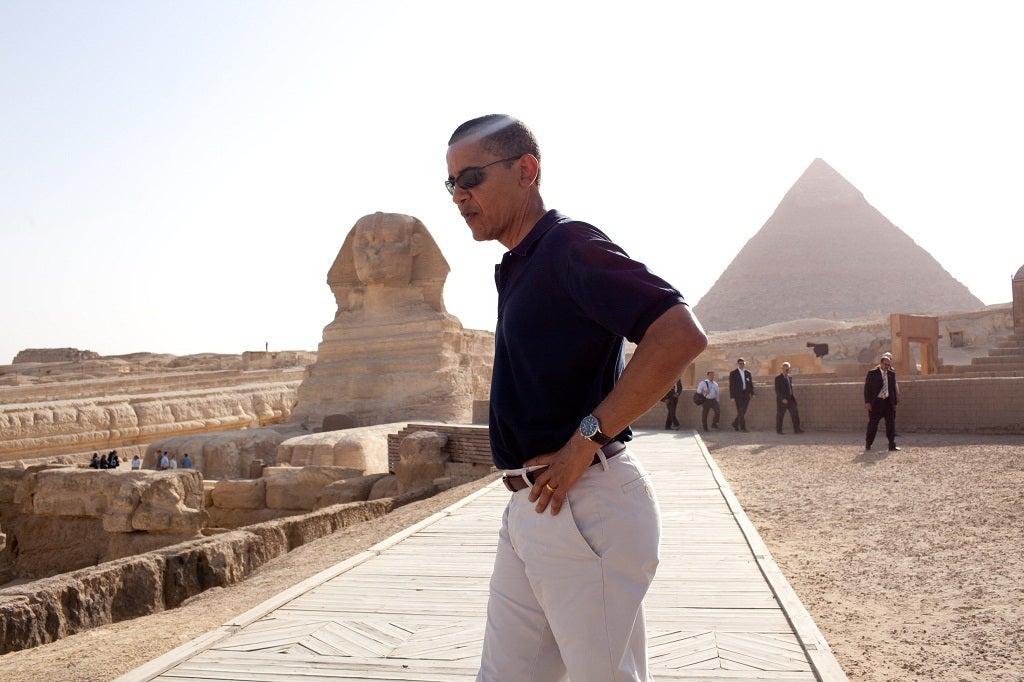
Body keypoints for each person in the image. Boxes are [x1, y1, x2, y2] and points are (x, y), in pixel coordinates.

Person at [446, 114, 708, 682]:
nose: (459, 195)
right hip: (531, 507)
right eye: (451, 185)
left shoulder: (568, 245)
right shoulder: (521, 264)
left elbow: (679, 333)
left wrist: (586, 439)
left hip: (586, 505)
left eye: (470, 177)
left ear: (526, 170)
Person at [864, 352, 900, 451]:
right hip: (876, 402)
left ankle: (892, 444)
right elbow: (867, 389)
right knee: (873, 423)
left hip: (888, 402)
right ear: (881, 363)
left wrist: (894, 402)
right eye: (885, 364)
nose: (886, 366)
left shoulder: (891, 373)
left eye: (888, 365)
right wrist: (868, 402)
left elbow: (893, 388)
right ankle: (868, 443)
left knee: (890, 423)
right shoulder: (872, 373)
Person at [774, 362, 804, 434]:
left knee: (795, 414)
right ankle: (779, 430)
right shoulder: (778, 378)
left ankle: (797, 429)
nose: (787, 370)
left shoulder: (789, 378)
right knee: (780, 415)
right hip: (782, 401)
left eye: (788, 369)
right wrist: (782, 399)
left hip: (791, 399)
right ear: (782, 369)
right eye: (785, 369)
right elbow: (777, 390)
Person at [728, 358, 755, 431]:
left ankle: (735, 423)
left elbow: (750, 384)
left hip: (746, 394)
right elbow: (731, 386)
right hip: (738, 395)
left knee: (743, 411)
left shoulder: (747, 373)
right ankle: (743, 428)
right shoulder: (733, 373)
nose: (741, 365)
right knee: (740, 410)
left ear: (744, 364)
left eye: (743, 363)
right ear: (738, 364)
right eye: (740, 363)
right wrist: (732, 397)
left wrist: (752, 393)